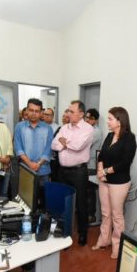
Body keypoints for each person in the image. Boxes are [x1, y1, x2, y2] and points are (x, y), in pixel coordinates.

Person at [92, 107, 137, 259]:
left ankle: (117, 246)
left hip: (119, 182)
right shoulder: (110, 135)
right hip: (104, 181)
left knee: (117, 216)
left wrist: (105, 171)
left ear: (120, 121)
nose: (107, 122)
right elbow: (101, 155)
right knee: (105, 213)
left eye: (110, 119)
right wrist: (100, 169)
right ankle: (104, 240)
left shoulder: (129, 138)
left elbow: (125, 163)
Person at [51, 100, 93, 245]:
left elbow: (78, 146)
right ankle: (64, 230)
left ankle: (83, 233)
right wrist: (63, 144)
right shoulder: (64, 127)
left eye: (72, 111)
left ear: (81, 114)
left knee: (81, 203)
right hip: (63, 171)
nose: (68, 114)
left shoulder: (88, 129)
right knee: (63, 202)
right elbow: (54, 144)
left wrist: (64, 142)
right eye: (68, 110)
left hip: (78, 172)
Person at [13, 98, 54, 188]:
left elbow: (48, 149)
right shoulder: (19, 127)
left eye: (37, 111)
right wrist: (30, 164)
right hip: (25, 170)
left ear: (41, 113)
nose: (34, 113)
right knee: (26, 196)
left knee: (44, 195)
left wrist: (38, 164)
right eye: (31, 110)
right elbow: (18, 149)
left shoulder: (48, 128)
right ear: (27, 110)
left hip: (43, 170)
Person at [85, 108, 103, 223]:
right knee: (86, 191)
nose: (87, 120)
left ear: (95, 120)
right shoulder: (88, 130)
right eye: (86, 117)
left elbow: (83, 144)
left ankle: (91, 215)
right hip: (86, 165)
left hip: (91, 166)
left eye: (90, 118)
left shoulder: (95, 132)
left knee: (89, 191)